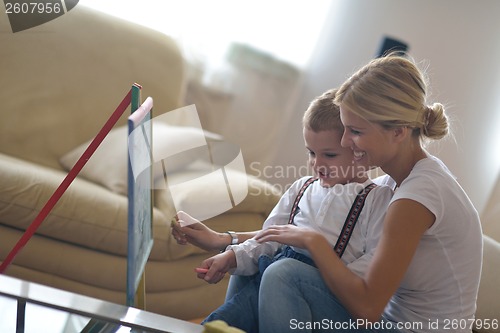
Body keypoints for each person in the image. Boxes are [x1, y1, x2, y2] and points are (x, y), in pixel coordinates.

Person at [253, 53, 483, 332]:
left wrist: (314, 243)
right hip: (387, 322)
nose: (344, 141)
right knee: (257, 264)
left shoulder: (417, 196)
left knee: (284, 275)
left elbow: (367, 309)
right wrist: (230, 242)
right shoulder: (391, 185)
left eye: (356, 131)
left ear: (398, 131)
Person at [172, 88, 394, 332]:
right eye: (311, 153)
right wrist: (231, 256)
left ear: (358, 150)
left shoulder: (375, 199)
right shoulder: (302, 187)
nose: (317, 164)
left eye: (329, 155)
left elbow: (370, 273)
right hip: (277, 273)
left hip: (329, 299)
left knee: (275, 275)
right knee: (249, 273)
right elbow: (268, 238)